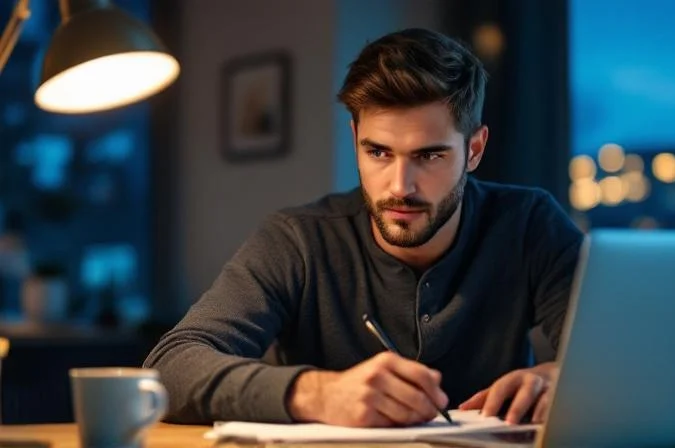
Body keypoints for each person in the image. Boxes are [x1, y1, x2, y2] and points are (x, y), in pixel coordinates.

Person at [143, 27, 583, 428]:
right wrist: (315, 394)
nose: (400, 187)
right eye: (379, 153)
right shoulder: (297, 240)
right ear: (355, 140)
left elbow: (619, 359)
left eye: (429, 155)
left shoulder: (530, 224)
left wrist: (564, 379)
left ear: (474, 150)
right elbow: (167, 370)